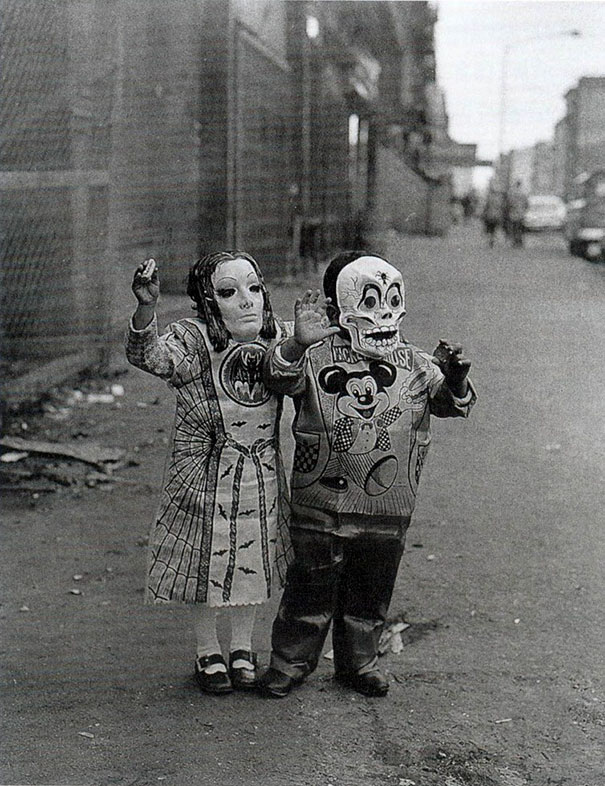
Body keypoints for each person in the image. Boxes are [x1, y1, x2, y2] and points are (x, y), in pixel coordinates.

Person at [257, 251, 476, 699]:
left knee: (370, 590)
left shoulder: (416, 362)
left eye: (392, 300)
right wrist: (297, 343)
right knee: (310, 586)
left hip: (388, 504)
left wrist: (453, 379)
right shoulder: (315, 357)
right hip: (320, 497)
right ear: (339, 309)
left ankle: (360, 660)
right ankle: (291, 660)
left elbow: (453, 404)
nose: (383, 316)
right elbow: (277, 378)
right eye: (370, 302)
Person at [125, 251, 294, 695]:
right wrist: (147, 308)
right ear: (207, 300)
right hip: (204, 470)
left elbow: (310, 360)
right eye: (228, 292)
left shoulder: (279, 338)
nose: (246, 301)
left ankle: (242, 646)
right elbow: (150, 356)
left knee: (255, 551)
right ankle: (207, 649)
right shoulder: (193, 339)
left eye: (254, 288)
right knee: (207, 555)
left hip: (260, 467)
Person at [505, 180, 529, 248]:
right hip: (521, 214)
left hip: (513, 214)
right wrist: (524, 210)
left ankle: (515, 242)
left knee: (514, 228)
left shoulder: (512, 193)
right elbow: (526, 204)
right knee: (520, 228)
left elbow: (509, 203)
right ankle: (520, 241)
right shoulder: (523, 193)